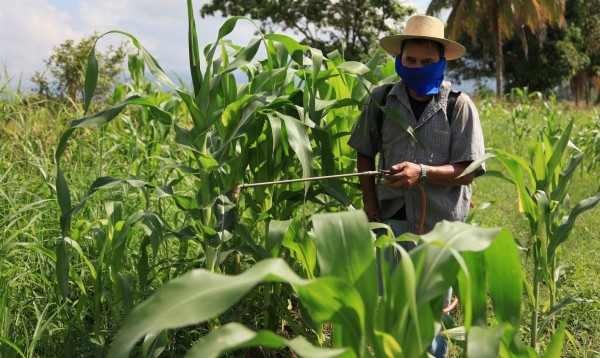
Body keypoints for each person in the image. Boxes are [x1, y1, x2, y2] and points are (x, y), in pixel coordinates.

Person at [347, 14, 486, 357]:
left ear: (442, 62)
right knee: (391, 306)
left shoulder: (458, 106)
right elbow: (364, 153)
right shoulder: (381, 100)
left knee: (430, 316)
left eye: (427, 61)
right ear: (399, 60)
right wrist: (369, 201)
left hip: (441, 225)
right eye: (411, 60)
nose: (418, 66)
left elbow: (469, 170)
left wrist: (421, 172)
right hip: (391, 219)